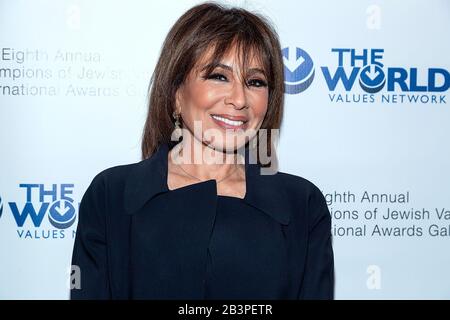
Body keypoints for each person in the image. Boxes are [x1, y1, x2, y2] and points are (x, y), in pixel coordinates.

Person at [70, 2, 334, 300]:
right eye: (219, 76)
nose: (239, 99)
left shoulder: (302, 204)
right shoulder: (112, 195)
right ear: (176, 94)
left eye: (255, 82)